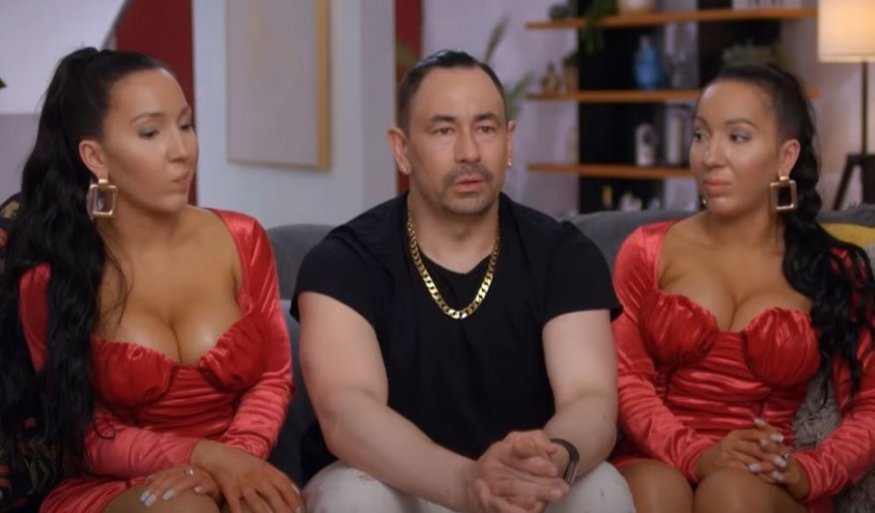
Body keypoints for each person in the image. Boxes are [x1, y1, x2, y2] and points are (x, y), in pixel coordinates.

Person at [292, 49, 634, 513]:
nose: (469, 152)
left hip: (527, 485)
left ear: (509, 142)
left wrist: (549, 460)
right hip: (398, 483)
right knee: (355, 497)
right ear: (401, 148)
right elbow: (347, 411)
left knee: (602, 488)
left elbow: (590, 397)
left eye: (486, 128)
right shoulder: (343, 262)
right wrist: (464, 482)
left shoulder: (564, 255)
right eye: (444, 130)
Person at [0, 48, 303, 513]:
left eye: (186, 125)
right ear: (95, 156)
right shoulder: (54, 276)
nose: (182, 151)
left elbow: (273, 379)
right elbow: (87, 437)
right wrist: (204, 457)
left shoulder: (242, 238)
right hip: (116, 488)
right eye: (150, 132)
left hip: (240, 467)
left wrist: (233, 464)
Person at [610, 64, 875, 513]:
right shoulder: (648, 249)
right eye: (701, 135)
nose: (710, 156)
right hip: (657, 456)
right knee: (653, 491)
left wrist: (811, 471)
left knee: (729, 493)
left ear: (786, 157)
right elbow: (627, 379)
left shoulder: (829, 268)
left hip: (762, 480)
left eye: (737, 137)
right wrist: (697, 455)